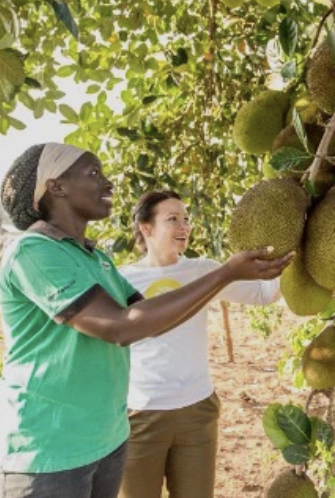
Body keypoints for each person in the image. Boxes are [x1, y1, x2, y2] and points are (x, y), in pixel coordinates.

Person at [0, 143, 292, 498]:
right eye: (93, 173)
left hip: (103, 440)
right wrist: (224, 274)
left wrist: (223, 276)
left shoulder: (96, 260)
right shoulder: (34, 252)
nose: (108, 182)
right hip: (42, 447)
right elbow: (120, 326)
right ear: (56, 187)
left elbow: (152, 322)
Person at [117, 190, 282, 498]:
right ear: (146, 228)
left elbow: (263, 294)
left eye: (186, 218)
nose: (184, 226)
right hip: (140, 414)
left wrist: (293, 245)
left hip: (197, 412)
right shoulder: (121, 280)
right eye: (173, 219)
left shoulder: (204, 270)